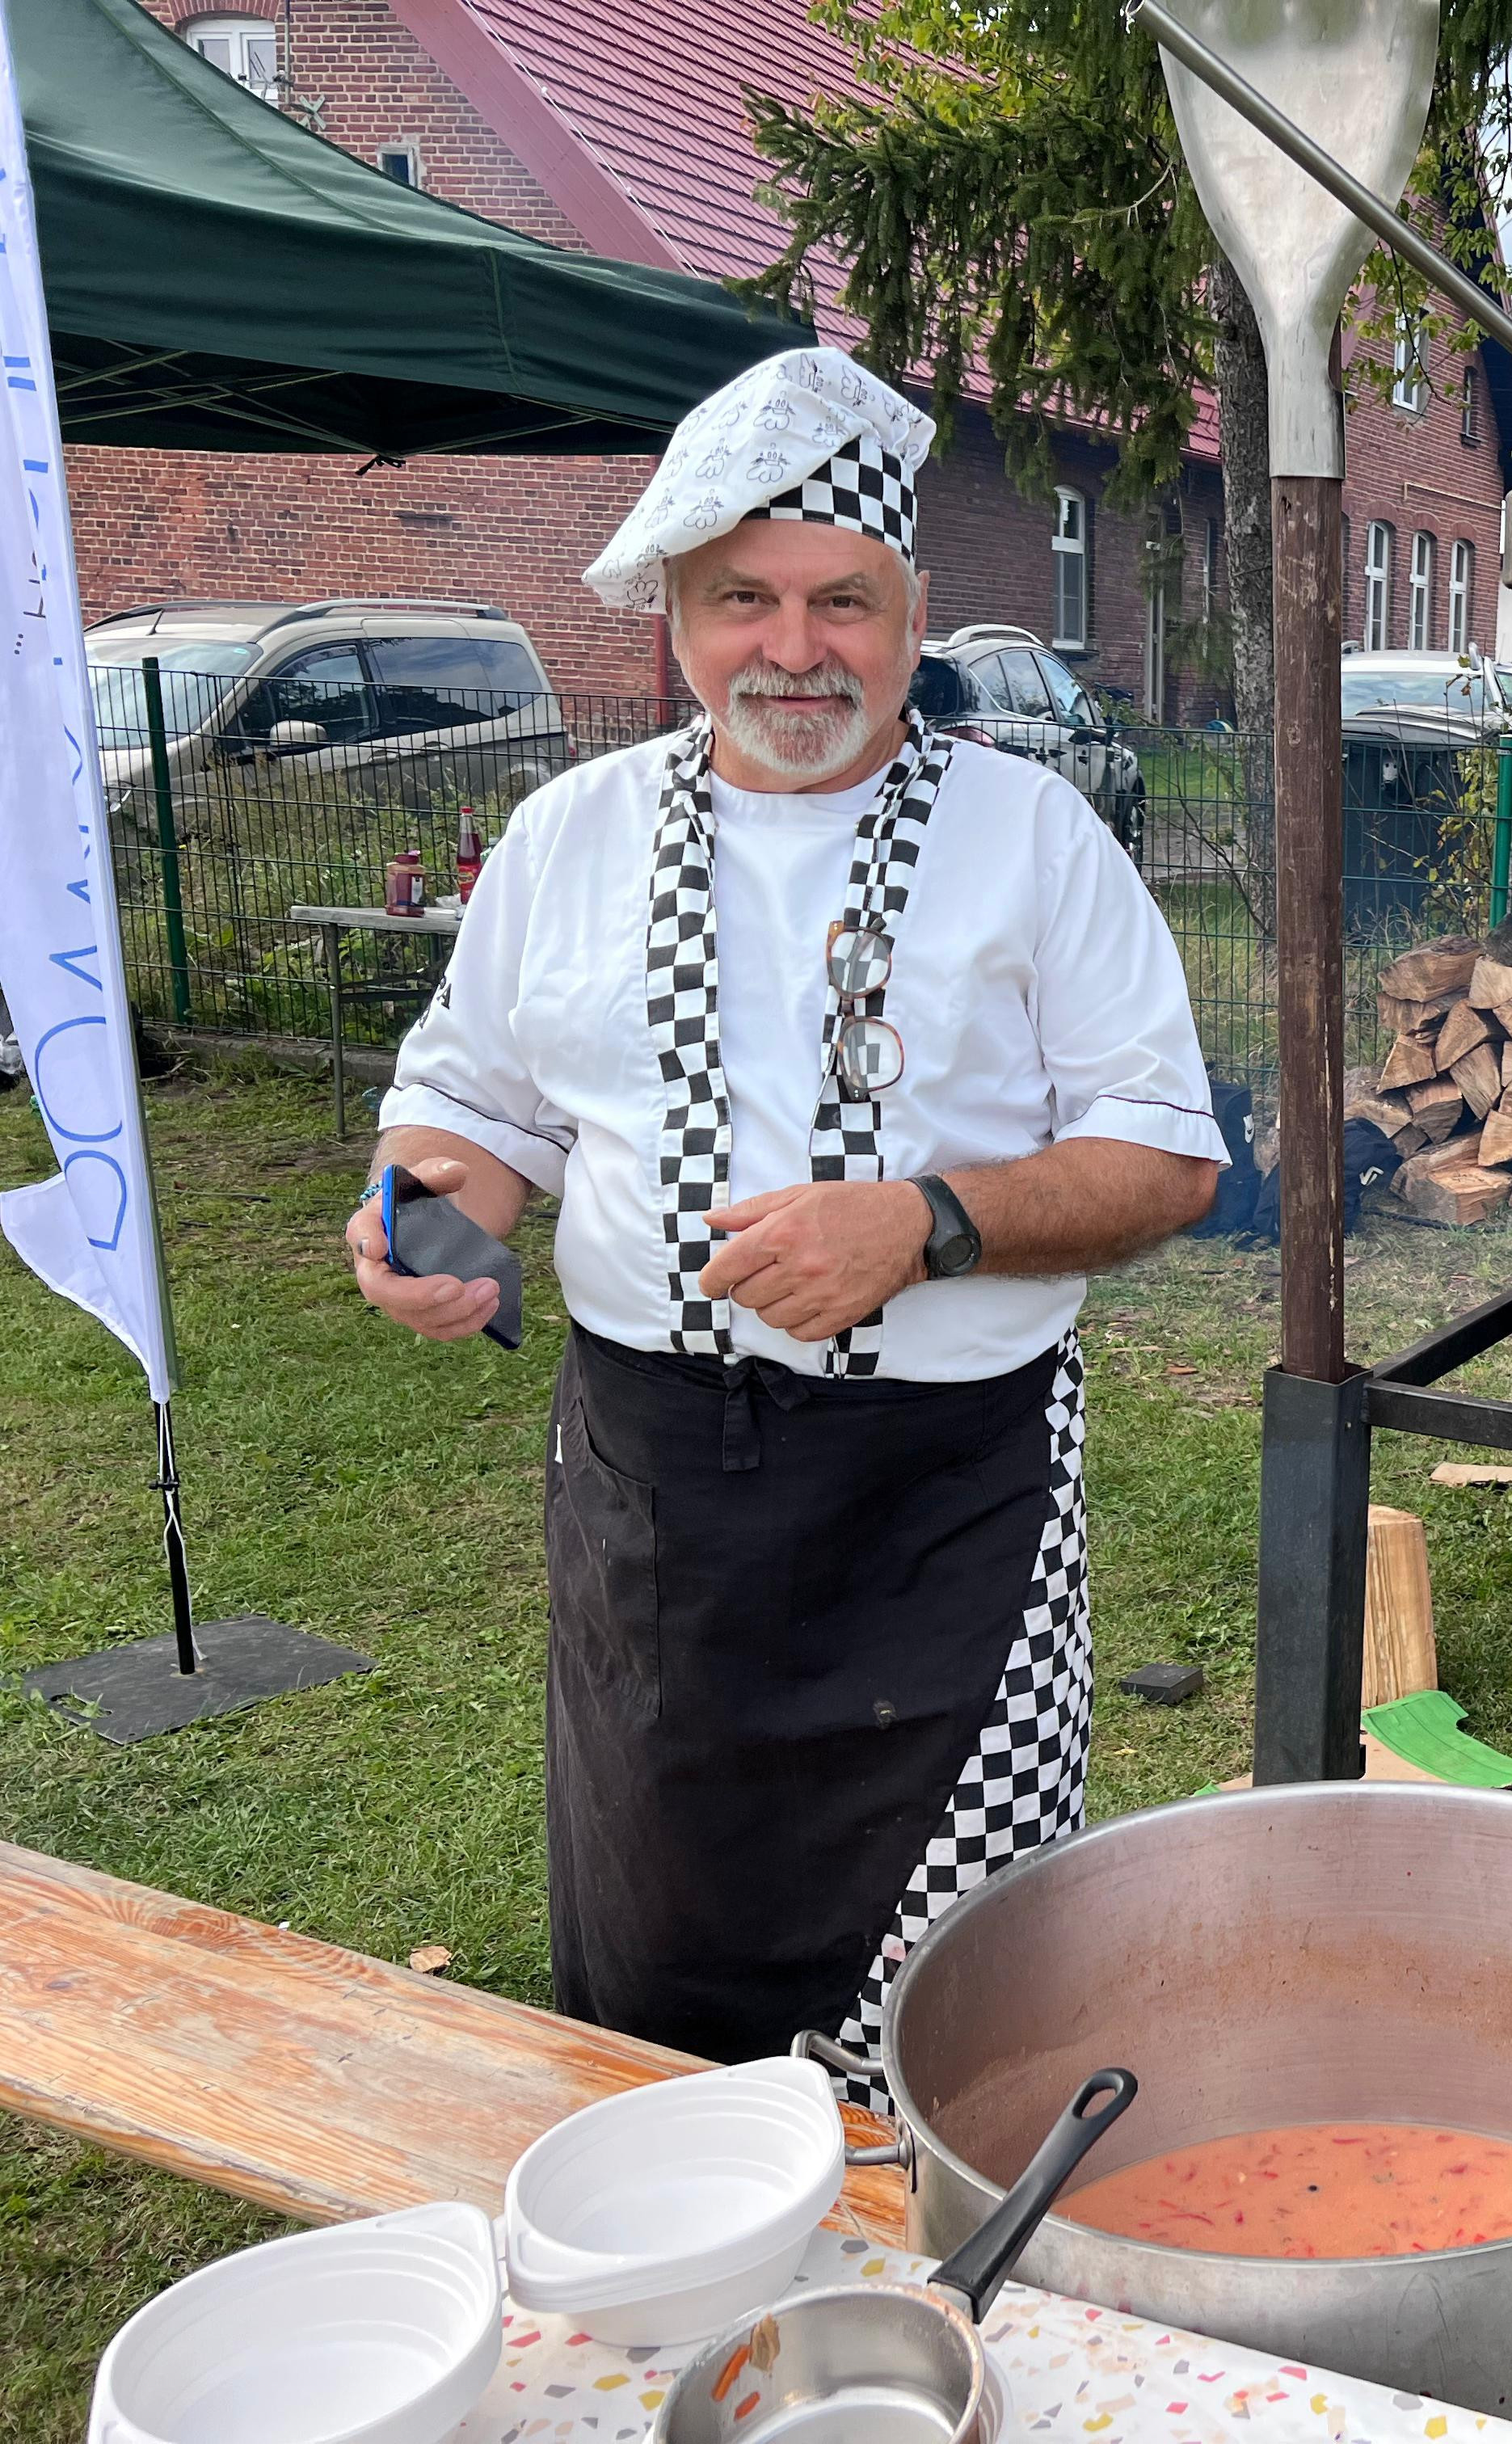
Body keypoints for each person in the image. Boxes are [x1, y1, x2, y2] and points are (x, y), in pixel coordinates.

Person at [343, 348, 1222, 2080]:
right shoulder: (563, 836)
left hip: (947, 1500)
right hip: (654, 1493)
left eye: (844, 601)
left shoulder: (1037, 842)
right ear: (674, 607)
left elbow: (1167, 1159)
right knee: (653, 1958)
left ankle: (936, 2304)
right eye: (743, 596)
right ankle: (684, 2283)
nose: (795, 648)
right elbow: (473, 1104)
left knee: (961, 1991)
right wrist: (431, 1211)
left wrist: (923, 1225)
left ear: (912, 617)